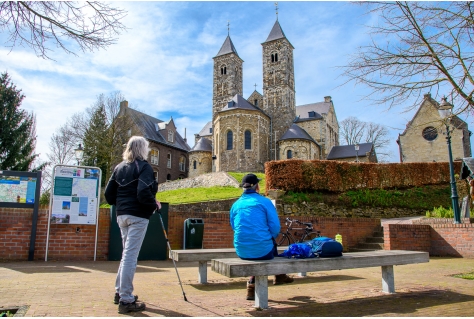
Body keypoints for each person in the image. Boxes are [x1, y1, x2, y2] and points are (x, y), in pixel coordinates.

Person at [105, 136, 161, 314]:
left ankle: (119, 292)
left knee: (126, 254)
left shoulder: (119, 167)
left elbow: (108, 195)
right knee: (130, 256)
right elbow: (144, 192)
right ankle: (126, 300)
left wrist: (122, 204)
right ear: (142, 150)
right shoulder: (144, 167)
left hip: (122, 215)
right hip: (137, 216)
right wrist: (154, 204)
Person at [230, 173, 293, 301]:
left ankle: (255, 285)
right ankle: (277, 276)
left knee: (263, 245)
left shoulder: (235, 205)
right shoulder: (265, 202)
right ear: (257, 187)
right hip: (262, 250)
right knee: (269, 245)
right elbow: (275, 227)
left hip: (241, 251)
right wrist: (269, 237)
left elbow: (234, 226)